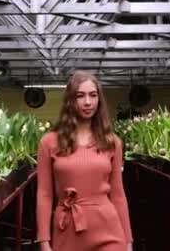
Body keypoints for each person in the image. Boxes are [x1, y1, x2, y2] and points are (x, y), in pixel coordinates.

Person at [35, 70, 134, 251]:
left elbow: (118, 195)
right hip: (67, 231)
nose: (87, 102)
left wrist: (128, 241)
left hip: (109, 233)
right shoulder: (49, 142)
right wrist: (44, 241)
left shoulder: (112, 142)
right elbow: (44, 195)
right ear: (70, 100)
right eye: (80, 96)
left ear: (99, 100)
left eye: (93, 95)